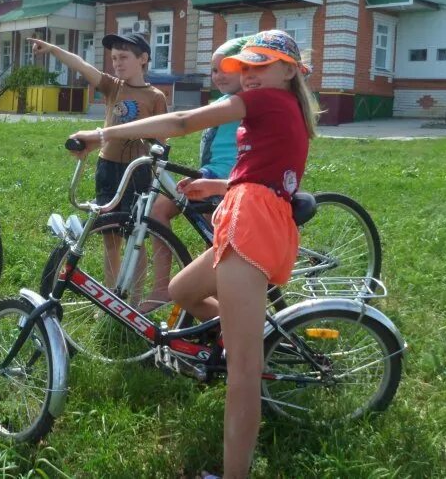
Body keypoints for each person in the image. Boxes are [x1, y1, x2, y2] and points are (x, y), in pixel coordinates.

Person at [68, 30, 318, 478]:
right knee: (182, 289)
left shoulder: (266, 102)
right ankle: (248, 327)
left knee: (243, 374)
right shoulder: (285, 109)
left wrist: (101, 132)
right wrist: (222, 186)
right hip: (250, 213)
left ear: (289, 71)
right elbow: (274, 176)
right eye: (246, 68)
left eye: (261, 66)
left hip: (253, 227)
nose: (250, 76)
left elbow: (183, 121)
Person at [28, 32, 167, 284]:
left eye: (124, 57)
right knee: (109, 237)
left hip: (137, 173)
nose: (117, 63)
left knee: (136, 237)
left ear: (143, 58)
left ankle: (133, 301)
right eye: (114, 58)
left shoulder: (155, 97)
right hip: (108, 168)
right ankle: (110, 295)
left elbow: (162, 142)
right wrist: (53, 49)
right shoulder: (112, 86)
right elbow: (82, 65)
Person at [142, 36, 248, 311]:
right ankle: (163, 287)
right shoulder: (225, 100)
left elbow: (184, 122)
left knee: (216, 244)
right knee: (158, 212)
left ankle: (219, 306)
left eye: (227, 67)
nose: (218, 75)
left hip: (229, 181)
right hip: (209, 173)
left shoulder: (243, 102)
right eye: (214, 70)